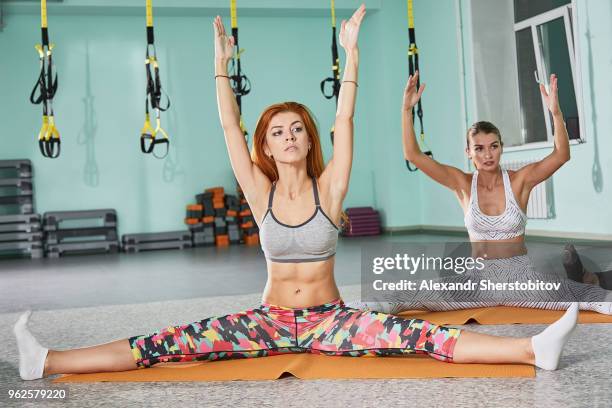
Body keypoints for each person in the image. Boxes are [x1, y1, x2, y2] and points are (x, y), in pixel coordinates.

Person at [14, 6, 579, 382]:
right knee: (166, 343)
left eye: (297, 129)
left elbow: (346, 116)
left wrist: (350, 54)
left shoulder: (330, 187)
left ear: (309, 139)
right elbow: (230, 131)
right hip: (270, 318)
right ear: (267, 143)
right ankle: (45, 361)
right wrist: (219, 68)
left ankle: (532, 350)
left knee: (422, 335)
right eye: (277, 132)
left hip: (333, 318)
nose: (288, 137)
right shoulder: (257, 189)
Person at [349, 72, 612, 315]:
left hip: (521, 281)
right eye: (479, 148)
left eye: (493, 146)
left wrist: (556, 114)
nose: (487, 154)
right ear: (469, 152)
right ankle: (345, 315)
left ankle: (590, 280)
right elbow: (413, 155)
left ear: (501, 147)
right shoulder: (462, 184)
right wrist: (406, 110)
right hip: (475, 282)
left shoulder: (519, 181)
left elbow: (561, 155)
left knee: (590, 297)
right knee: (400, 294)